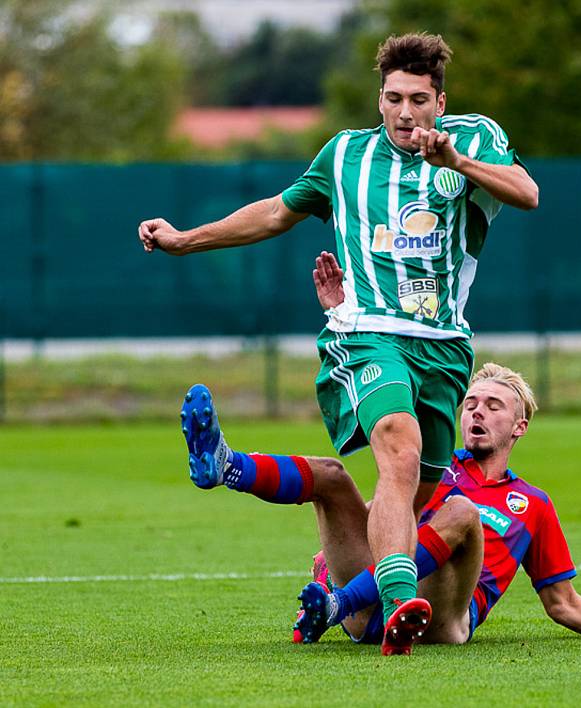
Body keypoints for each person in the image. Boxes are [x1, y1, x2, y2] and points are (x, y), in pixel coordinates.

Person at [138, 30, 539, 644]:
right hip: (366, 331)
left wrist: (454, 161)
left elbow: (528, 193)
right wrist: (184, 239)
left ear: (441, 101)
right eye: (393, 98)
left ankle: (351, 598)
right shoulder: (345, 155)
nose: (405, 113)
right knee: (398, 447)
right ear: (379, 99)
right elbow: (276, 212)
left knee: (407, 496)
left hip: (444, 346)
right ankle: (403, 604)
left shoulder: (474, 140)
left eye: (419, 100)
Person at [288, 256, 581, 648]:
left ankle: (339, 599)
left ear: (520, 427)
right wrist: (341, 317)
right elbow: (379, 516)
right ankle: (228, 465)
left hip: (443, 618)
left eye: (493, 406)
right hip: (377, 609)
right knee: (330, 476)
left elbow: (562, 603)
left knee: (462, 513)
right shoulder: (432, 465)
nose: (477, 411)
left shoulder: (533, 504)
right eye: (472, 403)